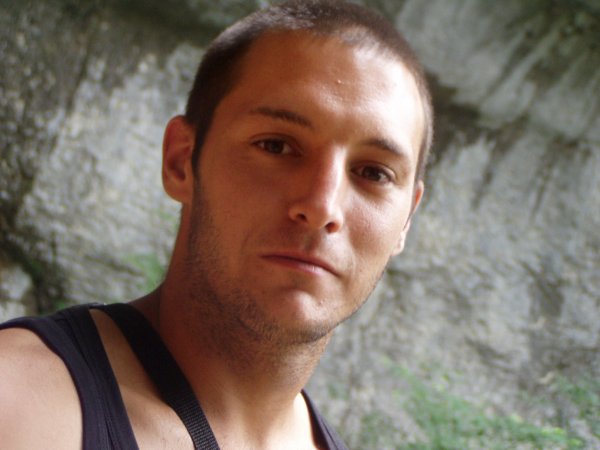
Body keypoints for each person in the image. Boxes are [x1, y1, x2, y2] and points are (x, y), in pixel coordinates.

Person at [0, 0, 433, 448]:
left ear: (406, 219)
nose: (323, 206)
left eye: (374, 173)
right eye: (276, 146)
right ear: (182, 161)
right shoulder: (19, 404)